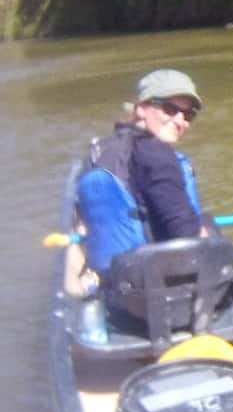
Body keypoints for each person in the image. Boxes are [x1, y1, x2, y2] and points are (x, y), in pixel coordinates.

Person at [76, 68, 206, 279]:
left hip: (115, 286)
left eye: (189, 114)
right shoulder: (158, 155)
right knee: (208, 225)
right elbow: (186, 235)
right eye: (170, 109)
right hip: (158, 289)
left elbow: (81, 226)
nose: (180, 121)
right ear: (142, 109)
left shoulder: (98, 152)